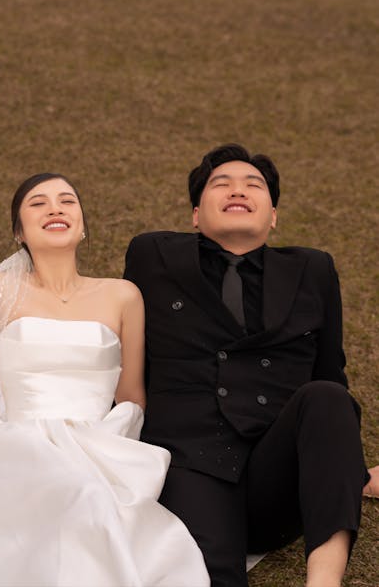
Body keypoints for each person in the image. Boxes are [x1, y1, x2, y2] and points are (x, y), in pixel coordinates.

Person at [0, 173, 210, 587]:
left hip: (97, 441)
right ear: (19, 231)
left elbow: (131, 395)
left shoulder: (122, 295)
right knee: (77, 496)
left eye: (67, 201)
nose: (55, 208)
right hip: (16, 443)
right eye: (38, 203)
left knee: (89, 495)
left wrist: (113, 448)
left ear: (83, 224)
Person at [124, 143, 374, 587]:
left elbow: (329, 376)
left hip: (275, 476)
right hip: (190, 462)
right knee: (213, 575)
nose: (238, 190)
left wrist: (347, 470)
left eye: (253, 185)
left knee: (329, 396)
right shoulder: (152, 257)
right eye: (221, 184)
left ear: (273, 215)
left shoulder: (313, 269)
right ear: (196, 215)